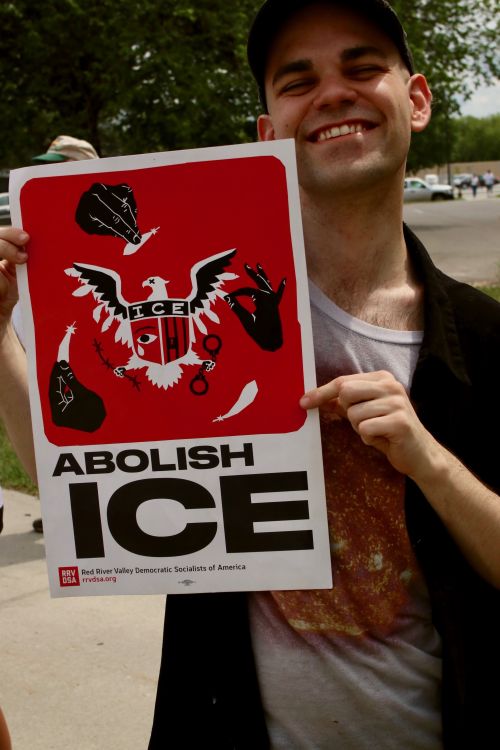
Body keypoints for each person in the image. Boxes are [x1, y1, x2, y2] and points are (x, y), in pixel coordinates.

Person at [0, 3, 499, 748]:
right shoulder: (231, 321)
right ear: (269, 133)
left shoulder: (486, 341)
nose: (333, 92)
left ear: (416, 99)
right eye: (298, 81)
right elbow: (76, 489)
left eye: (362, 67)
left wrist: (431, 465)